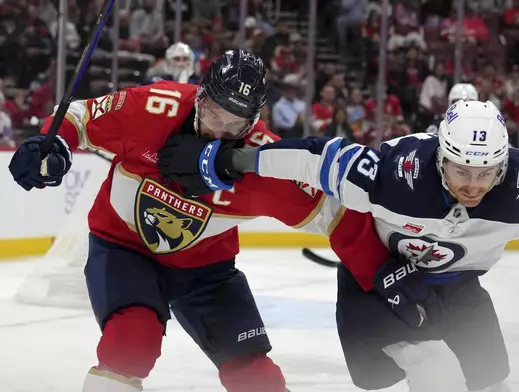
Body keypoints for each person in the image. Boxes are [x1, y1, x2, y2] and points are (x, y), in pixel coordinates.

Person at [159, 100, 519, 391]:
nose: (473, 186)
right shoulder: (395, 174)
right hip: (377, 280)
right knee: (435, 368)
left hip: (458, 288)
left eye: (484, 174)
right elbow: (313, 158)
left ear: (503, 167)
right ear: (439, 158)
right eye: (461, 171)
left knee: (493, 382)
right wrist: (227, 159)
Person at [7, 49, 392, 392]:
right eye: (213, 114)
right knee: (131, 344)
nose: (219, 132)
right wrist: (52, 144)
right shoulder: (156, 105)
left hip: (206, 272)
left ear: (254, 122)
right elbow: (80, 115)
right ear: (200, 95)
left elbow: (337, 216)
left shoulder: (265, 161)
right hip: (125, 249)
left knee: (256, 376)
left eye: (235, 124)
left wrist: (387, 278)